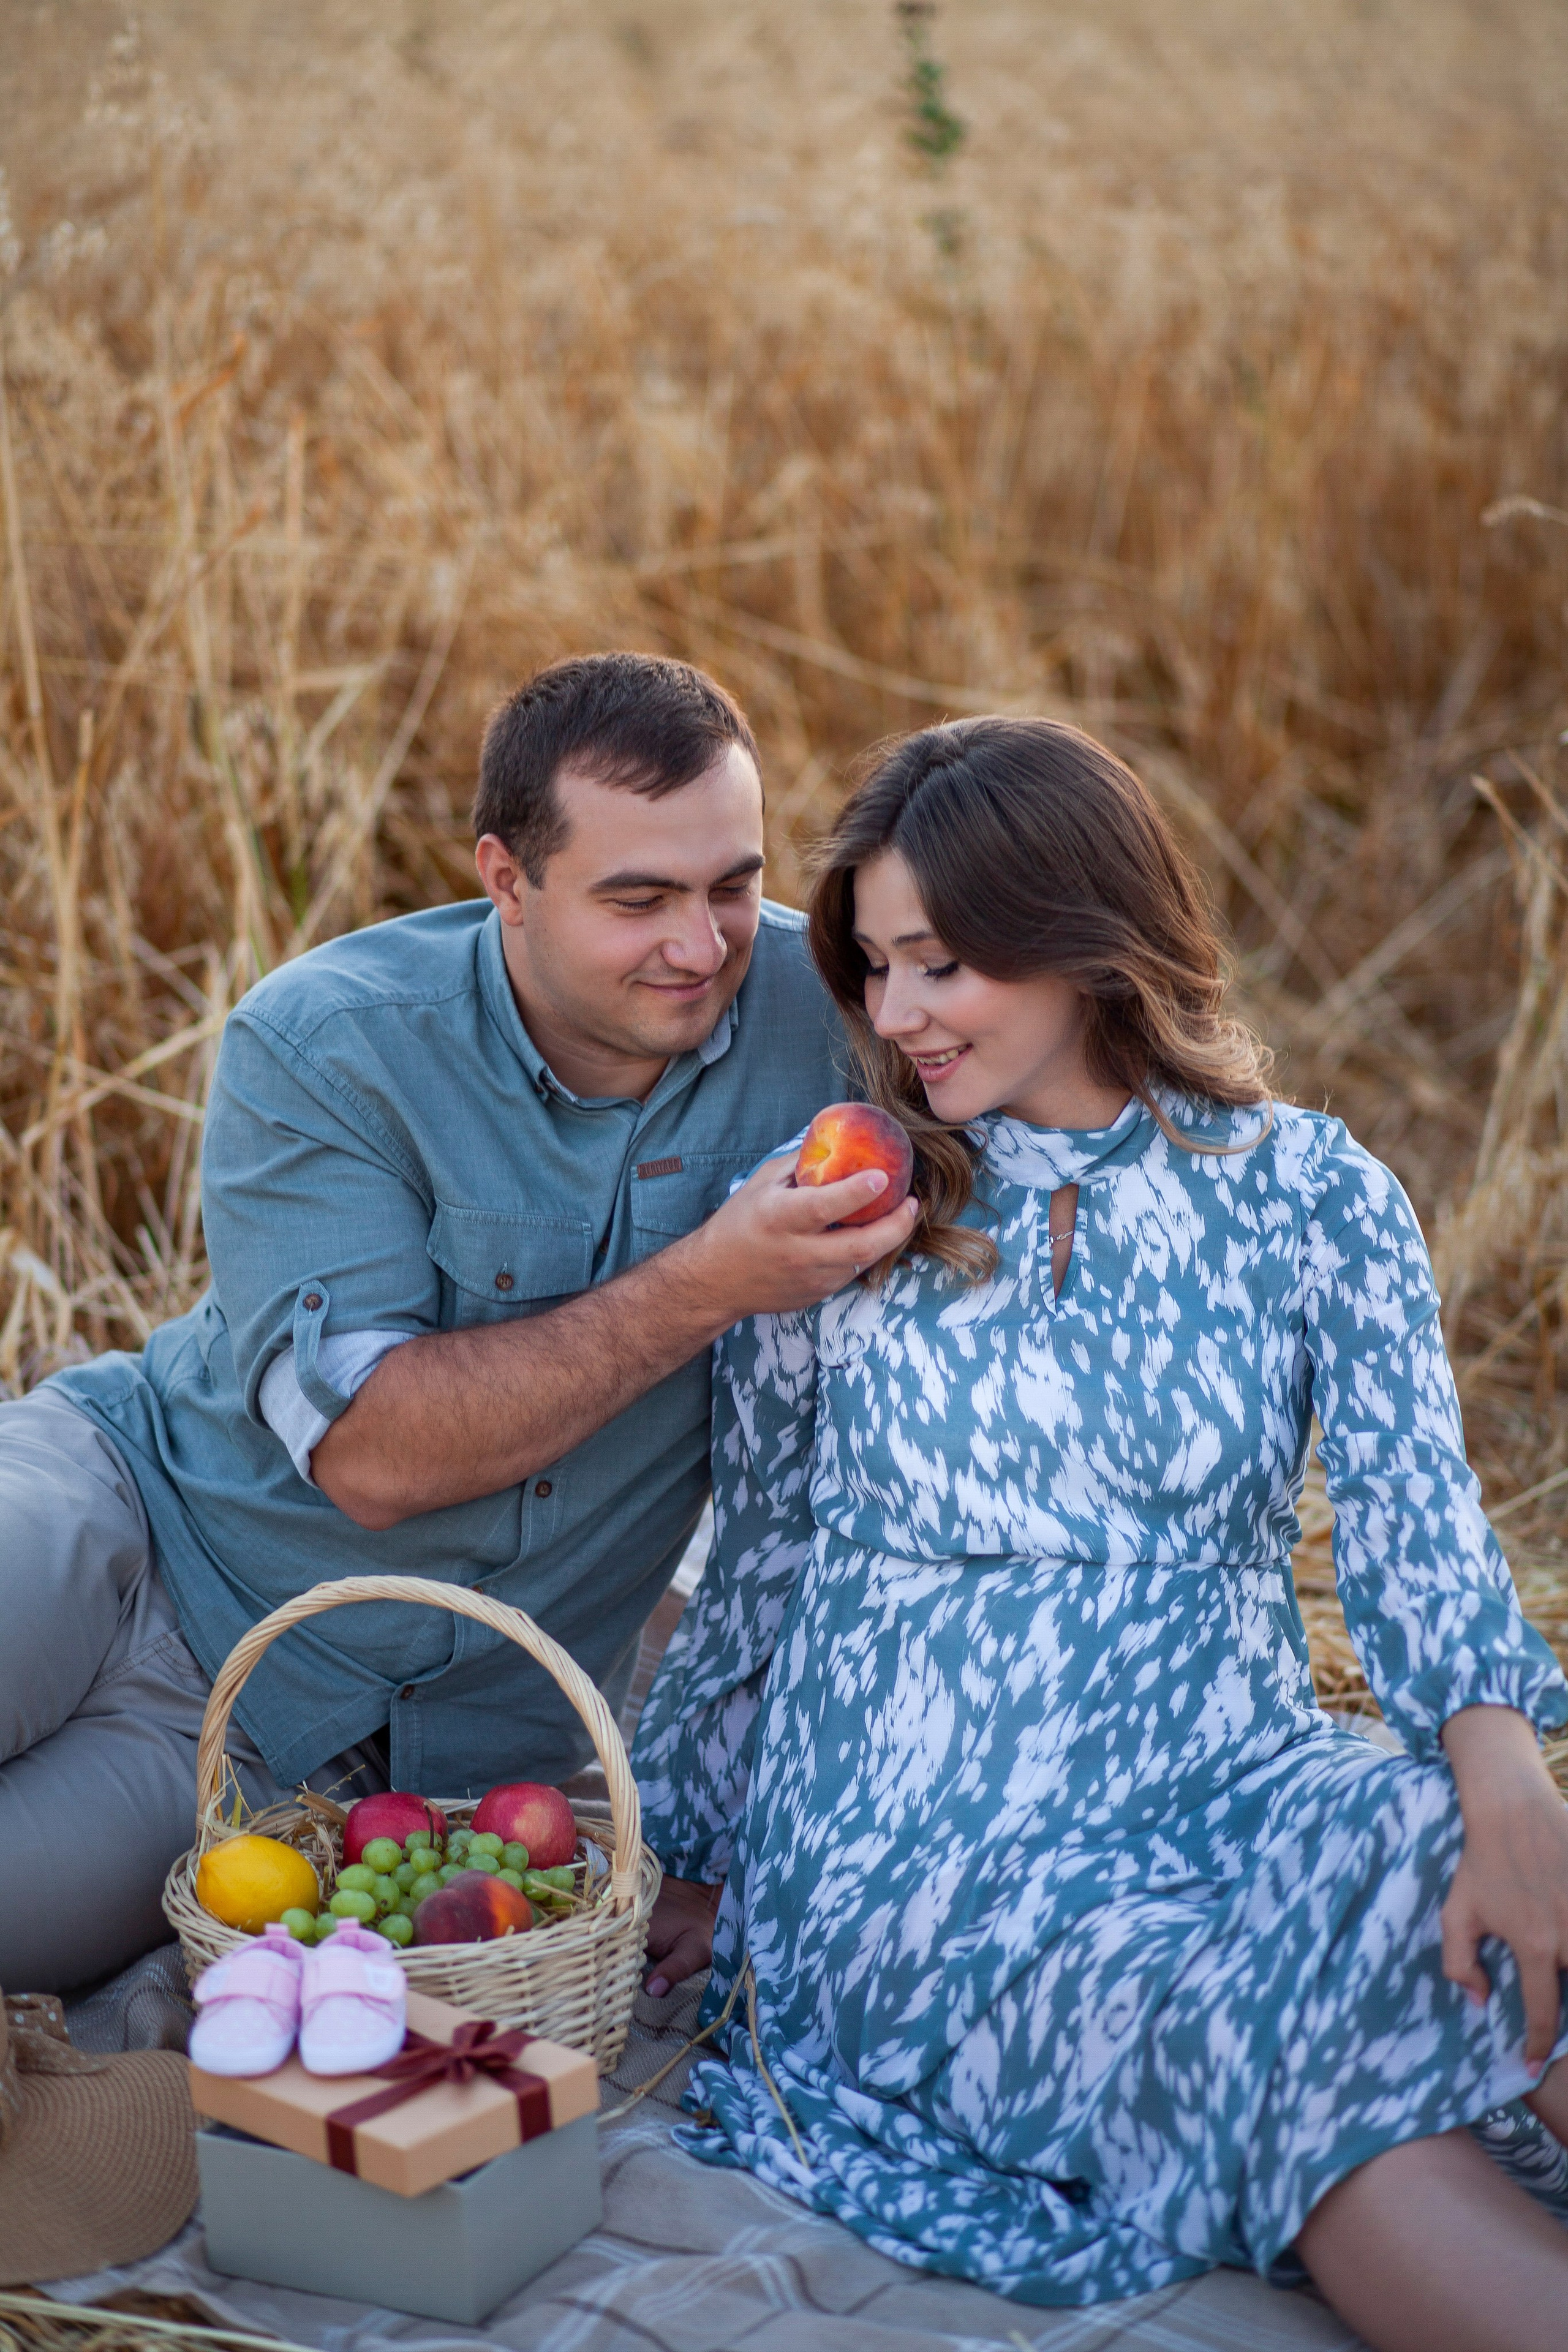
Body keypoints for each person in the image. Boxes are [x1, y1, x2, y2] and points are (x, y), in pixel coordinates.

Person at [631, 717, 1568, 2352]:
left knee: (1453, 1867)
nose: (897, 1014)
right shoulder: (840, 1203)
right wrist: (687, 1851)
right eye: (874, 967)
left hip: (1232, 1780)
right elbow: (761, 1565)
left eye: (940, 964)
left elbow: (1420, 1531)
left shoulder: (1306, 1194)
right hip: (925, 1861)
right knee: (1256, 2029)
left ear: (1077, 931)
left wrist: (1513, 1796)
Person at [0, 652, 919, 1994]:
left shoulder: (839, 1020)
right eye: (637, 898)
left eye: (733, 884)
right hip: (128, 1508)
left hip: (293, 1753)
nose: (700, 943)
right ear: (506, 880)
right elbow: (377, 1459)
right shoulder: (328, 1043)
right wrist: (710, 1281)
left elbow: (1053, 1057)